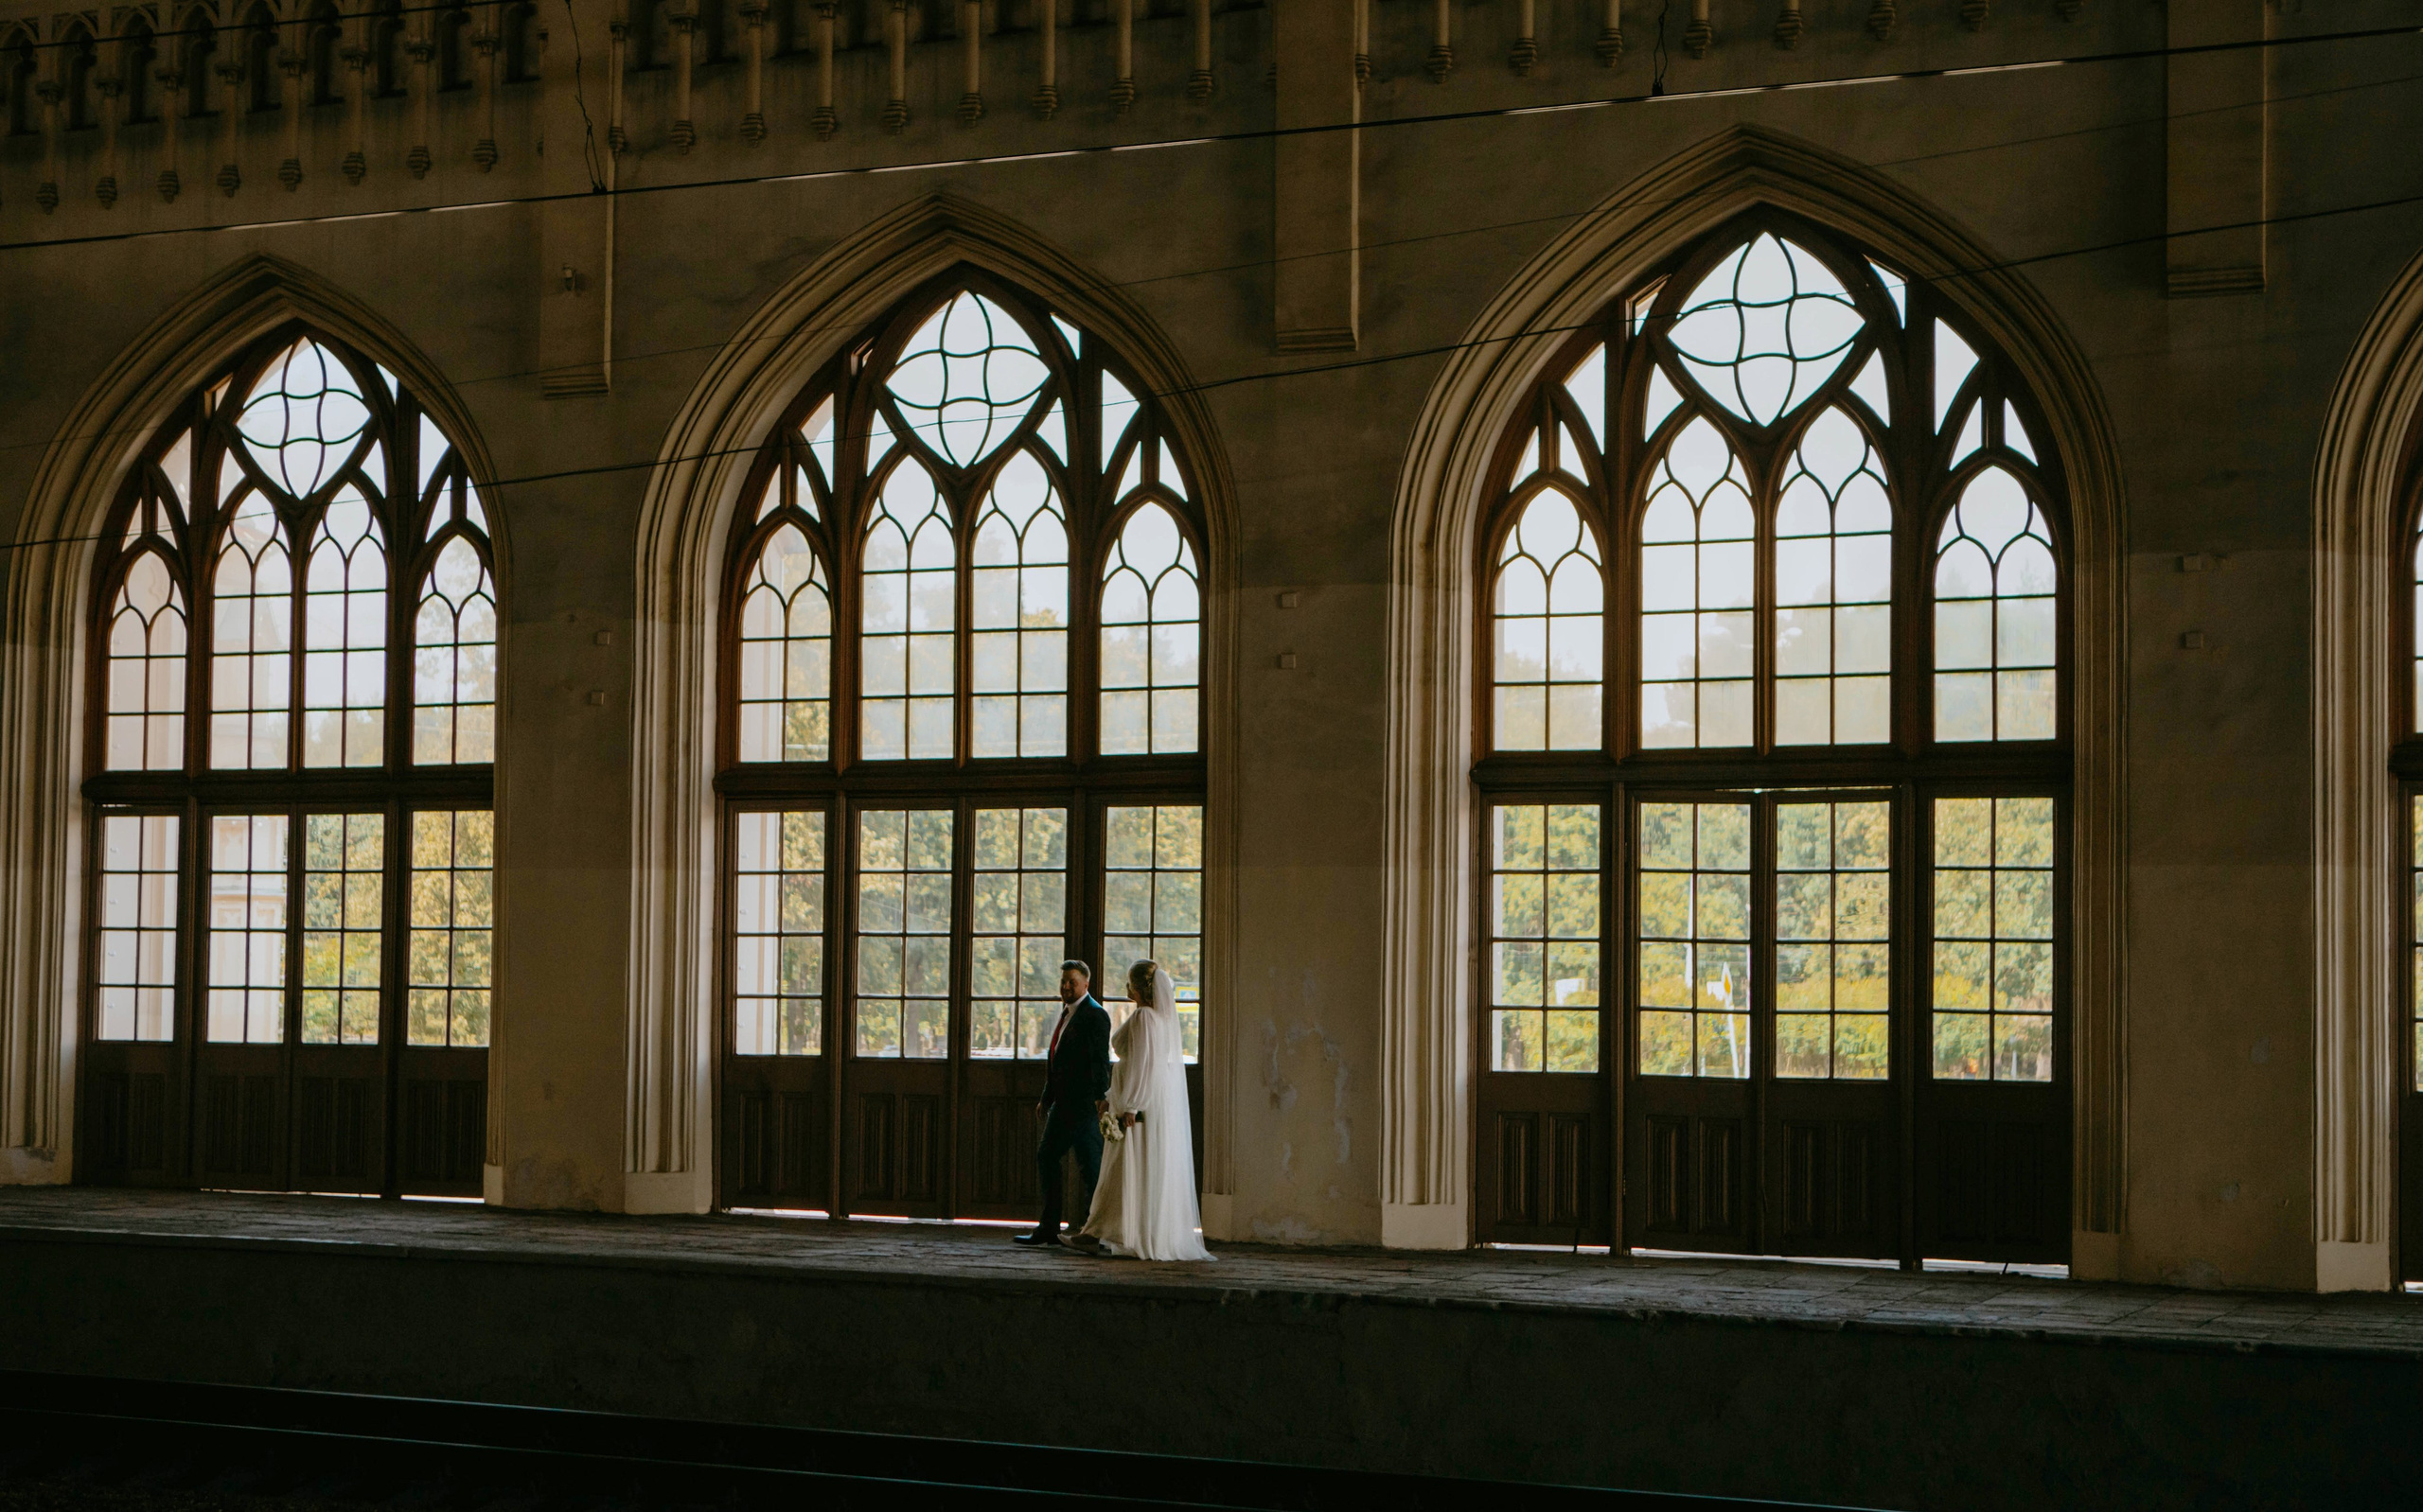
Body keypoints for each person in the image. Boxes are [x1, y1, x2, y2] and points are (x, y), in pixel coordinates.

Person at [1071, 960, 1214, 1262]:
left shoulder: (1144, 1017)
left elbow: (1142, 1067)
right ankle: (1112, 1232)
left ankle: (1098, 1233)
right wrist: (1112, 1097)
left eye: (1128, 981)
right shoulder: (1159, 1019)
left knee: (1121, 1170)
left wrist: (1129, 1107)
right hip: (1139, 1104)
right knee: (1132, 1171)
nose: (1126, 986)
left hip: (1135, 1109)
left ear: (1137, 987)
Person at [1014, 960, 1110, 1248]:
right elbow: (1058, 1061)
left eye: (1072, 982)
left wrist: (1100, 1097)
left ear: (1086, 984)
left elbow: (1099, 1060)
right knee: (1049, 1158)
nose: (1066, 987)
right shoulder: (1067, 1012)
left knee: (1090, 1168)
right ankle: (1051, 1228)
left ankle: (1094, 1231)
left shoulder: (1095, 1015)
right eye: (1064, 982)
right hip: (1063, 1105)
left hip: (1084, 1105)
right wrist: (1046, 1098)